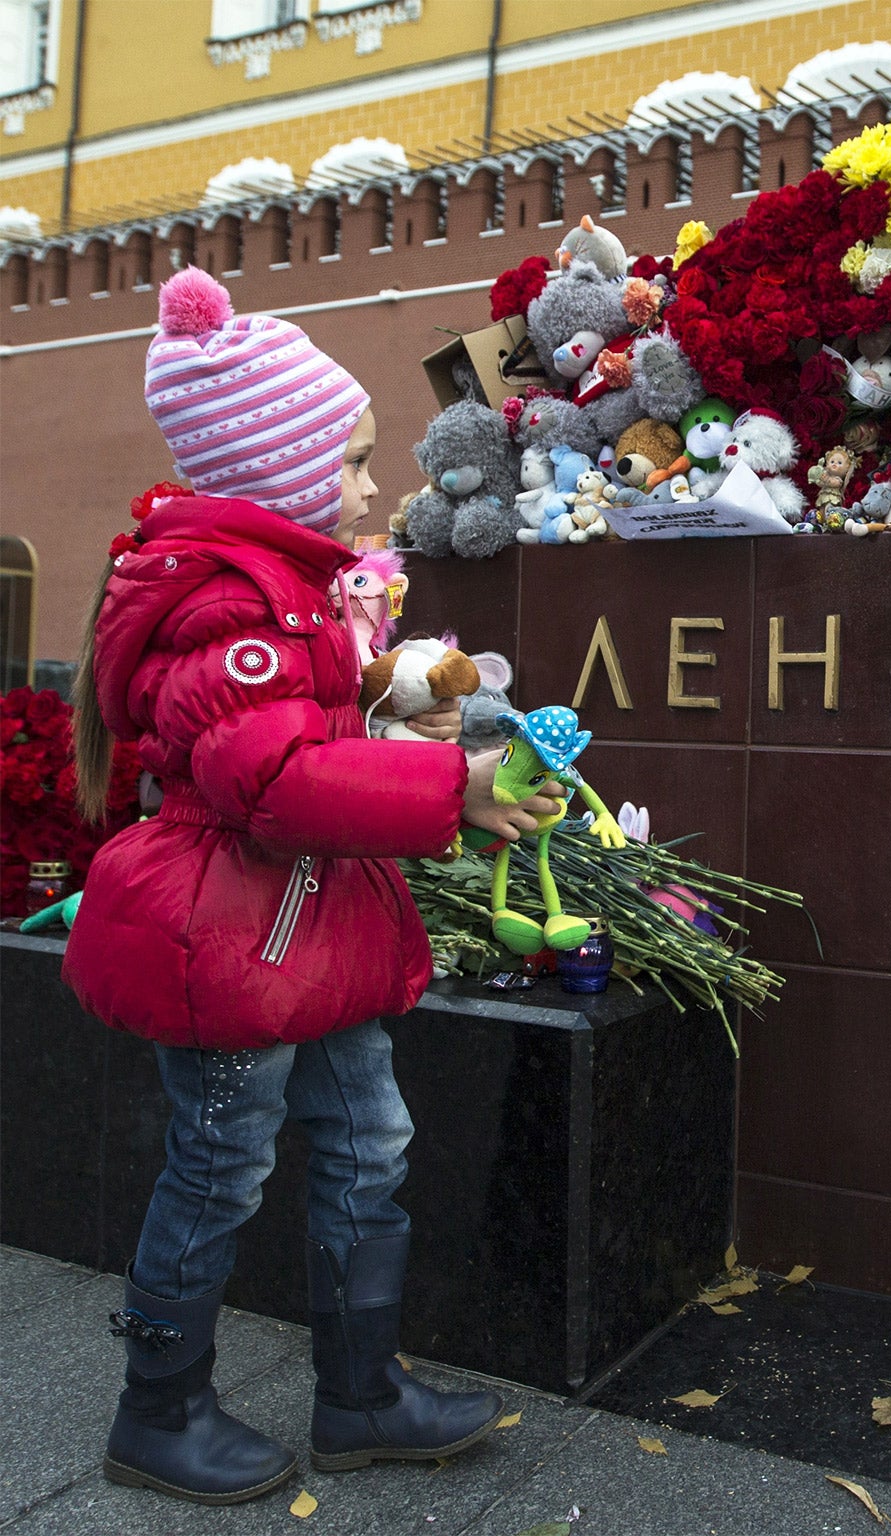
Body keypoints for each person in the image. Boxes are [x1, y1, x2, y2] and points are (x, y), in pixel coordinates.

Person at [63, 267, 560, 1505]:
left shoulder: (283, 594)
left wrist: (391, 690)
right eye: (348, 463)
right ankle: (158, 1409)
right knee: (221, 1161)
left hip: (312, 921)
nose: (368, 484)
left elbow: (312, 720)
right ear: (274, 475)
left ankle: (361, 1391)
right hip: (234, 937)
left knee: (364, 1140)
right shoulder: (230, 609)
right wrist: (454, 793)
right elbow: (271, 778)